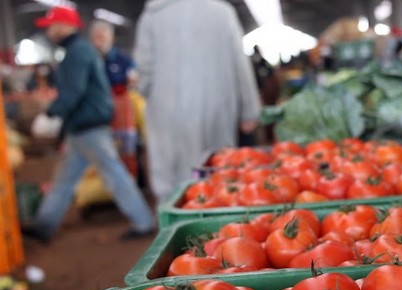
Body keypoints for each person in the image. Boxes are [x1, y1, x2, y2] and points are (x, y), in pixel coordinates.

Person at [22, 6, 155, 243]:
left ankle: (143, 221)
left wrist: (52, 113)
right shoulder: (77, 50)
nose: (49, 32)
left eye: (52, 26)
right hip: (81, 126)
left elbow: (73, 91)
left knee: (113, 173)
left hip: (89, 126)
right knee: (66, 178)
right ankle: (44, 224)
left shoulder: (77, 52)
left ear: (64, 26)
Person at [133, 0, 262, 204]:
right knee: (217, 175)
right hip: (216, 108)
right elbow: (240, 63)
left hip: (167, 111)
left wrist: (142, 87)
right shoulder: (222, 12)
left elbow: (144, 70)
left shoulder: (153, 15)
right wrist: (249, 109)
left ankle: (174, 219)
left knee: (171, 184)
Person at [89, 20, 140, 179]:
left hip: (121, 113)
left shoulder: (123, 59)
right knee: (101, 151)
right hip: (97, 113)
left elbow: (134, 79)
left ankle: (130, 181)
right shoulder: (89, 59)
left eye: (103, 37)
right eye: (96, 38)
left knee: (125, 150)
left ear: (111, 38)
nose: (100, 42)